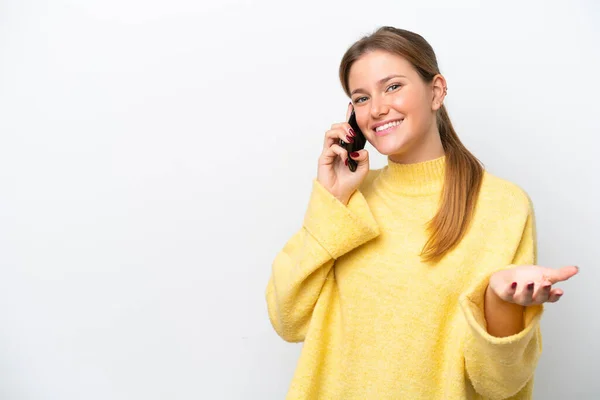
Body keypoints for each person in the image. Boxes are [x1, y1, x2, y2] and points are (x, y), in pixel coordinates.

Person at [265, 26, 579, 399]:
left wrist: (499, 301)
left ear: (436, 91)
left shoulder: (502, 206)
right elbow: (288, 319)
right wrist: (331, 201)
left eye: (393, 86)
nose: (378, 108)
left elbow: (500, 385)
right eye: (361, 98)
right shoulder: (350, 198)